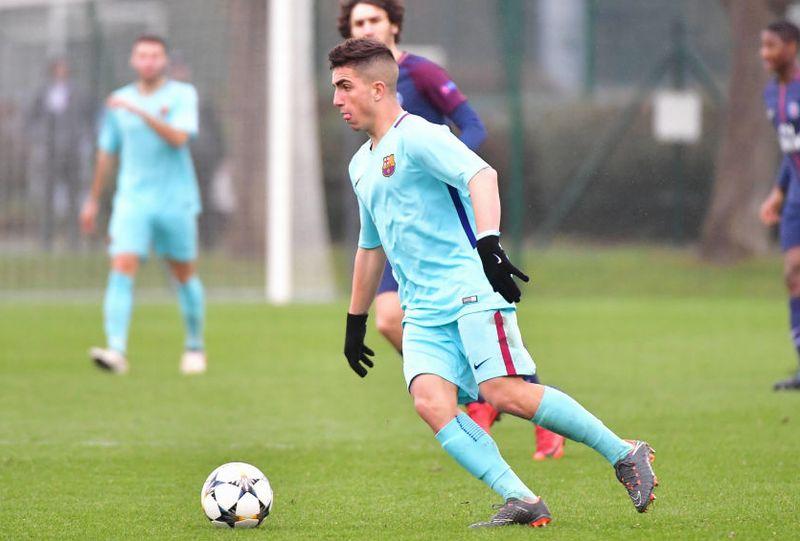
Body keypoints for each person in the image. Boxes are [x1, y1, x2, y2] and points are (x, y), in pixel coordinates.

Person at [333, 38, 657, 528]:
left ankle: (624, 452)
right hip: (422, 309)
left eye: (344, 86)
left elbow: (481, 174)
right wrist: (355, 320)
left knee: (504, 392)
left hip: (470, 290)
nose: (336, 99)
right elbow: (369, 245)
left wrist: (489, 245)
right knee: (430, 402)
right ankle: (521, 498)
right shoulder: (361, 164)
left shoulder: (418, 135)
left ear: (378, 89)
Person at [338, 0, 565, 459]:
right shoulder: (354, 91)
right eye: (358, 22)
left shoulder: (420, 73)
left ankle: (522, 409)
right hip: (399, 231)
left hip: (439, 226)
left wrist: (452, 167)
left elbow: (471, 126)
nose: (366, 27)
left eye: (374, 19)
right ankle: (466, 392)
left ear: (394, 24)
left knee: (491, 365)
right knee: (387, 319)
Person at [79, 35, 206, 375]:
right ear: (133, 61)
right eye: (142, 55)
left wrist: (140, 111)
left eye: (155, 55)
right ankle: (116, 350)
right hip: (132, 200)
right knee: (122, 264)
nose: (148, 61)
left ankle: (195, 346)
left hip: (175, 199)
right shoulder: (118, 101)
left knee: (183, 273)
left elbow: (178, 137)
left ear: (164, 60)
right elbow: (107, 153)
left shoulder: (182, 95)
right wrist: (92, 200)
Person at [759, 21, 800, 391]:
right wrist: (778, 192)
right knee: (793, 272)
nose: (765, 53)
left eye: (771, 45)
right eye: (762, 46)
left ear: (791, 46)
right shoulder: (772, 93)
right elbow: (791, 150)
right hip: (796, 194)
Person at [28, 58, 92, 249]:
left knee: (74, 195)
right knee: (47, 196)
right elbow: (31, 118)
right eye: (58, 68)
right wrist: (39, 137)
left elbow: (90, 117)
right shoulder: (43, 92)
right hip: (50, 150)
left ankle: (74, 239)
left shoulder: (79, 92)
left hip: (72, 150)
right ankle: (46, 239)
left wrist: (84, 137)